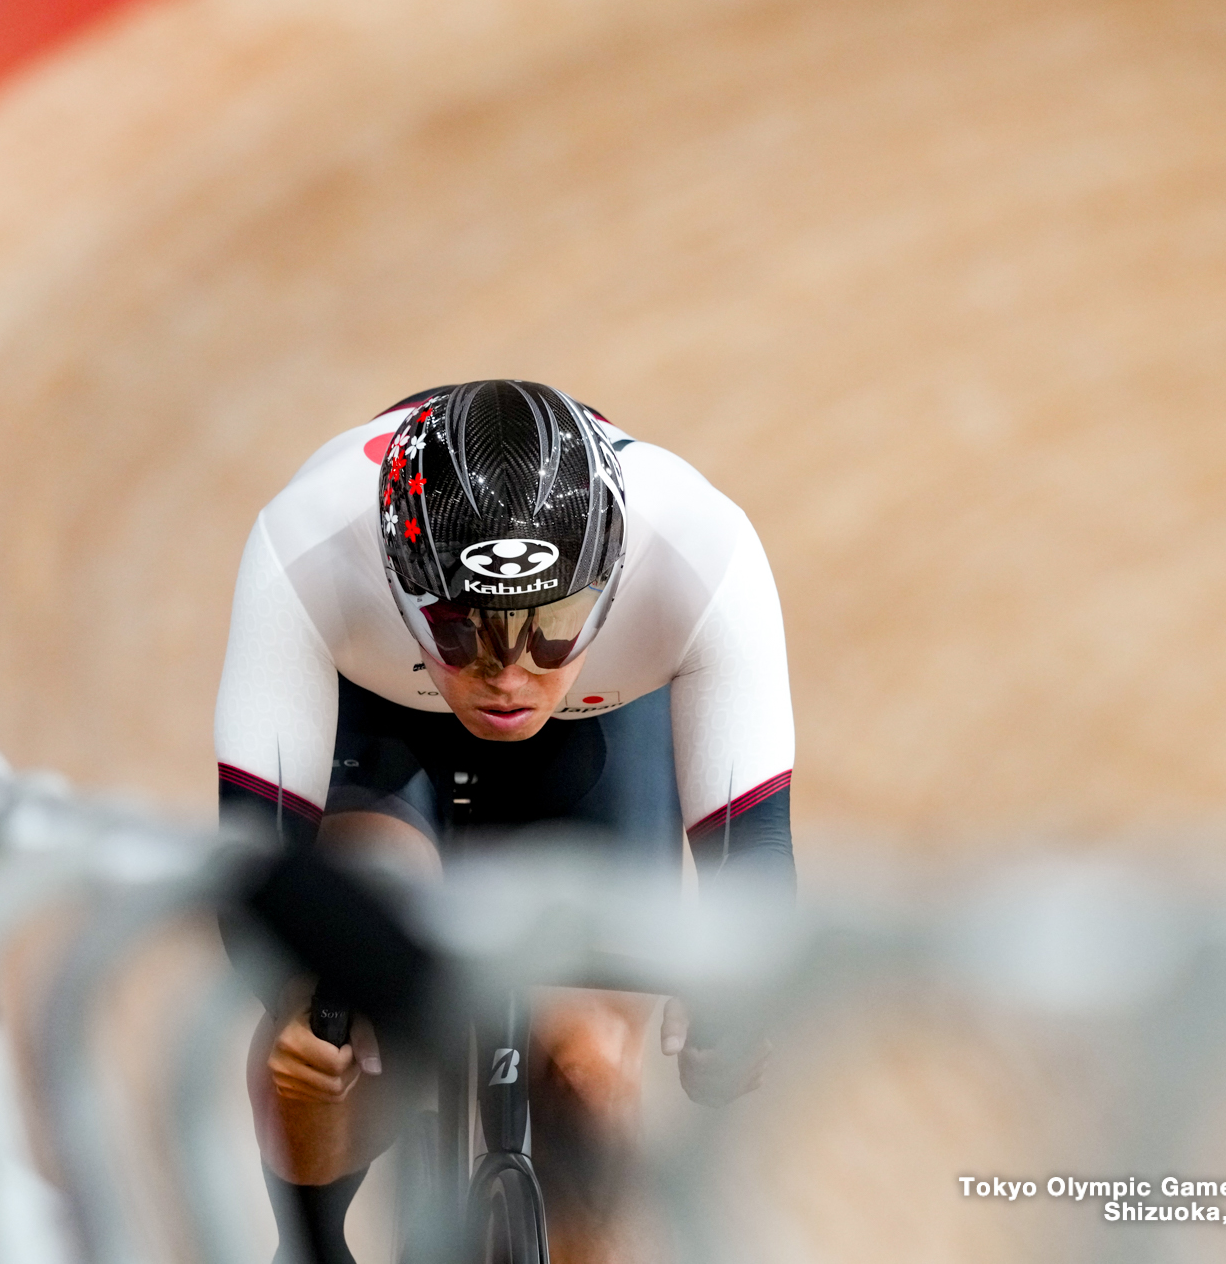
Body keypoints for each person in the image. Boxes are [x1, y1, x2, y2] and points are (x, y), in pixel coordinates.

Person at [215, 379, 795, 1264]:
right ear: (400, 586)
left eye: (553, 629)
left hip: (596, 735)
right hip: (387, 716)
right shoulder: (310, 545)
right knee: (326, 1022)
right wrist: (298, 1002)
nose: (508, 675)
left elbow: (754, 873)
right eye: (461, 633)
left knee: (590, 1070)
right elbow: (254, 860)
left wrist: (736, 1012)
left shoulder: (699, 555)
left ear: (608, 586)